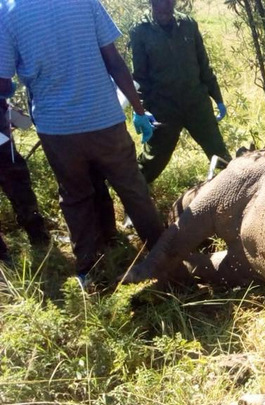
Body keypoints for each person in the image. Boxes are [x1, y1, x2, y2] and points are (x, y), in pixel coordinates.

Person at [0, 0, 165, 285]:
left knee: (76, 196)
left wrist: (13, 96)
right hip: (104, 118)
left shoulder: (9, 11)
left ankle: (90, 272)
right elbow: (114, 60)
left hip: (58, 128)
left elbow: (2, 80)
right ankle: (164, 257)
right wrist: (139, 110)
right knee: (132, 188)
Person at [130, 0, 231, 185]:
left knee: (221, 157)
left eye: (170, 2)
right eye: (160, 3)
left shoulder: (188, 25)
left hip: (196, 103)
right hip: (164, 109)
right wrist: (141, 110)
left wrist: (217, 97)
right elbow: (140, 78)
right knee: (152, 162)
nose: (166, 7)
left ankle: (236, 198)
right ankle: (134, 204)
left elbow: (203, 65)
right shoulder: (140, 31)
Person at [0, 88, 50, 265]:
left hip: (3, 145)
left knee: (21, 192)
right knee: (20, 191)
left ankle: (40, 240)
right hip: (3, 146)